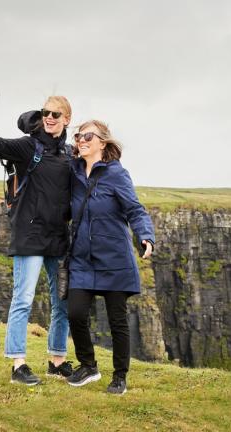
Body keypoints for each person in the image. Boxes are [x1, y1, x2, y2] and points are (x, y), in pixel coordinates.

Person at [0, 91, 75, 385]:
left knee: (62, 302)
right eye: (45, 113)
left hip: (58, 237)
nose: (49, 118)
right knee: (23, 299)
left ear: (67, 119)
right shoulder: (30, 147)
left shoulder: (69, 154)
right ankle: (18, 365)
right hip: (30, 235)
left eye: (55, 114)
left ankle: (57, 361)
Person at [65, 120, 155, 395]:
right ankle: (88, 366)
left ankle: (119, 377)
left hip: (114, 258)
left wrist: (145, 235)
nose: (81, 140)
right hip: (82, 258)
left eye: (88, 136)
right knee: (75, 312)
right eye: (78, 136)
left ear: (102, 142)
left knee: (117, 320)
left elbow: (135, 209)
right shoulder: (74, 171)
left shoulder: (116, 174)